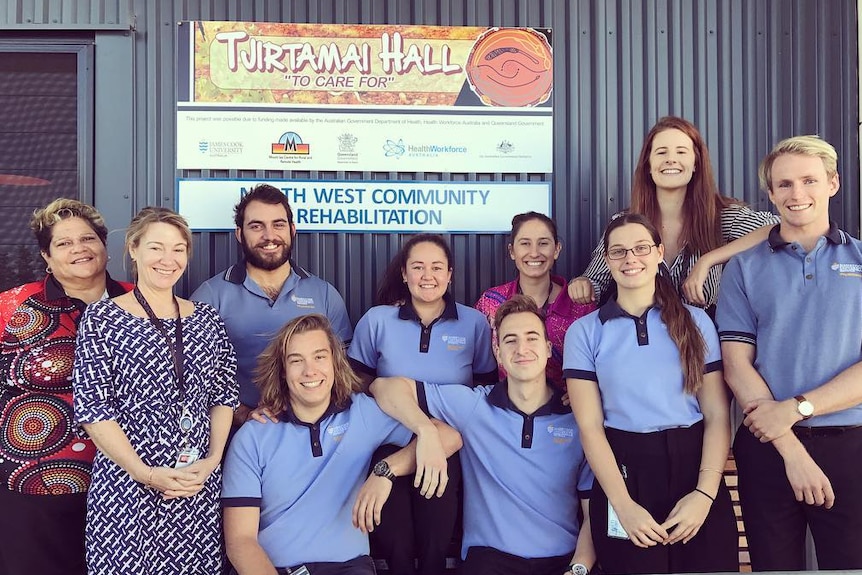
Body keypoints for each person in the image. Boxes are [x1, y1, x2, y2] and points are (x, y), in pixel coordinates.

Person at [716, 135, 862, 571]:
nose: (796, 194)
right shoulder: (744, 266)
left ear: (833, 183)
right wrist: (790, 445)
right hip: (768, 448)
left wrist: (799, 408)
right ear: (771, 193)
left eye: (808, 181)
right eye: (784, 185)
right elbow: (735, 364)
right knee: (775, 569)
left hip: (849, 446)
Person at [369, 295, 596, 575]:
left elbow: (592, 515)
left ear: (549, 348)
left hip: (562, 562)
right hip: (489, 561)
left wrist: (579, 569)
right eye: (510, 340)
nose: (522, 348)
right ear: (498, 353)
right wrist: (424, 429)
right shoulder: (475, 406)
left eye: (532, 338)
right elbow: (384, 388)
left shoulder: (577, 419)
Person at [222, 314, 462, 575]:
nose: (310, 371)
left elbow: (449, 437)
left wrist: (386, 469)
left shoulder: (362, 414)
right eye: (296, 361)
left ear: (335, 363)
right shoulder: (253, 436)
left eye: (319, 357)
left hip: (348, 568)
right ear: (282, 370)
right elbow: (240, 542)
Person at [564, 213, 737, 574]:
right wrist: (623, 505)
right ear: (607, 260)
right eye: (619, 251)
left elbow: (718, 416)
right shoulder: (584, 332)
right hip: (625, 473)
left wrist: (704, 496)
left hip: (695, 470)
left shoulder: (696, 321)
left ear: (659, 252)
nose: (631, 259)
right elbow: (590, 428)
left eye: (641, 248)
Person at [73, 207, 238, 574]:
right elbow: (94, 410)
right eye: (156, 248)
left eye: (178, 249)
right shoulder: (102, 319)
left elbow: (224, 395)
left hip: (194, 487)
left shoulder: (208, 318)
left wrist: (211, 461)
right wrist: (144, 473)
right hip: (127, 488)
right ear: (133, 249)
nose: (168, 260)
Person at [348, 233, 497, 575]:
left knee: (436, 540)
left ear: (450, 274)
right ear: (404, 274)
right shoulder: (377, 321)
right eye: (418, 267)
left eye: (436, 267)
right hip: (389, 442)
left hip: (447, 447)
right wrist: (419, 425)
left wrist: (436, 435)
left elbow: (484, 391)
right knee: (395, 541)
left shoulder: (474, 323)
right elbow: (359, 384)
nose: (427, 275)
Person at [0, 199, 132, 575]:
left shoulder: (139, 301)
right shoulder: (13, 306)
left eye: (88, 238)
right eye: (64, 243)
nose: (79, 249)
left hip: (124, 484)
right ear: (46, 255)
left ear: (105, 246)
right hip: (34, 486)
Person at [568, 116, 779, 312]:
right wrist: (582, 285)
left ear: (696, 163)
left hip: (705, 344)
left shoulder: (722, 217)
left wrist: (707, 260)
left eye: (681, 152)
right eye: (661, 152)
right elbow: (594, 280)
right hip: (642, 342)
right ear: (648, 165)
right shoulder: (624, 223)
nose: (670, 160)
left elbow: (782, 227)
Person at [191, 184, 352, 429]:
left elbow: (346, 370)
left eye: (278, 225)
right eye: (256, 226)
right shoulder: (211, 296)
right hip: (238, 433)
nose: (269, 236)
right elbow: (194, 376)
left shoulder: (324, 294)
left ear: (292, 230)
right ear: (239, 234)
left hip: (314, 433)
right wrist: (242, 413)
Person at [475, 211, 595, 389]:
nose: (534, 253)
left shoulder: (580, 306)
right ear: (512, 251)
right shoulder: (490, 303)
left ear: (557, 249)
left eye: (543, 243)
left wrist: (583, 393)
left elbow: (601, 368)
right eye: (525, 243)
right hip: (509, 409)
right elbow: (476, 367)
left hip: (567, 413)